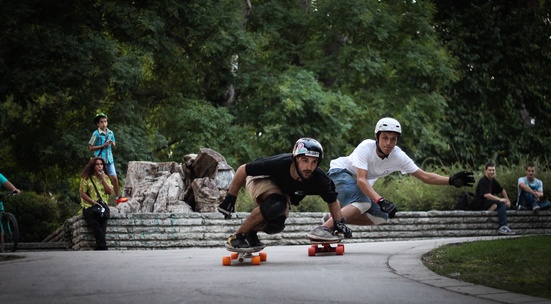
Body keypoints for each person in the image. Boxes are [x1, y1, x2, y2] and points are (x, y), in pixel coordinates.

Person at [314, 117, 475, 234]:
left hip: (357, 183)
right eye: (384, 138)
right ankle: (323, 230)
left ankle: (333, 218)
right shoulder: (366, 147)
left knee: (381, 216)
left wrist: (451, 180)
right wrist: (380, 200)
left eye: (393, 139)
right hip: (340, 173)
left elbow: (424, 176)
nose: (388, 143)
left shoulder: (398, 156)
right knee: (363, 203)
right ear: (377, 137)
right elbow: (362, 180)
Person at [218, 138, 352, 250]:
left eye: (314, 162)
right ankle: (237, 237)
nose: (309, 167)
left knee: (276, 225)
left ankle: (251, 233)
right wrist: (230, 198)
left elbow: (332, 200)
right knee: (276, 203)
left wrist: (338, 224)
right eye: (305, 160)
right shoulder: (279, 163)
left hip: (282, 192)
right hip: (260, 179)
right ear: (296, 159)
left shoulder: (319, 179)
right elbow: (243, 170)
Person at [88, 113, 127, 204]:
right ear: (98, 124)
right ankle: (100, 200)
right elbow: (91, 147)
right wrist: (102, 145)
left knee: (114, 177)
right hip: (99, 160)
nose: (104, 124)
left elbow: (114, 142)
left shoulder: (110, 132)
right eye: (101, 122)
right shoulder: (96, 134)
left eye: (105, 122)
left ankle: (118, 198)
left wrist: (112, 143)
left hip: (109, 159)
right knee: (100, 179)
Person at [79, 157, 114, 250]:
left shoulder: (105, 177)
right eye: (97, 164)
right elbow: (82, 194)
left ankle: (101, 246)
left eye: (101, 164)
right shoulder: (86, 178)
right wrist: (93, 202)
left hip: (102, 206)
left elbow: (110, 192)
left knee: (103, 223)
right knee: (95, 223)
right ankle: (102, 246)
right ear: (93, 166)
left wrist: (103, 179)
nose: (100, 166)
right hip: (90, 206)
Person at [472, 162, 515, 235]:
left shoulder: (492, 180)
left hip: (489, 202)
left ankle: (493, 208)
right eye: (489, 170)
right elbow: (486, 195)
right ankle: (502, 227)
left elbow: (502, 190)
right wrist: (500, 199)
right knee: (501, 204)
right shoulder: (483, 180)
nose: (491, 172)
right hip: (480, 203)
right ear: (485, 171)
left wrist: (507, 200)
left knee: (506, 206)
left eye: (493, 170)